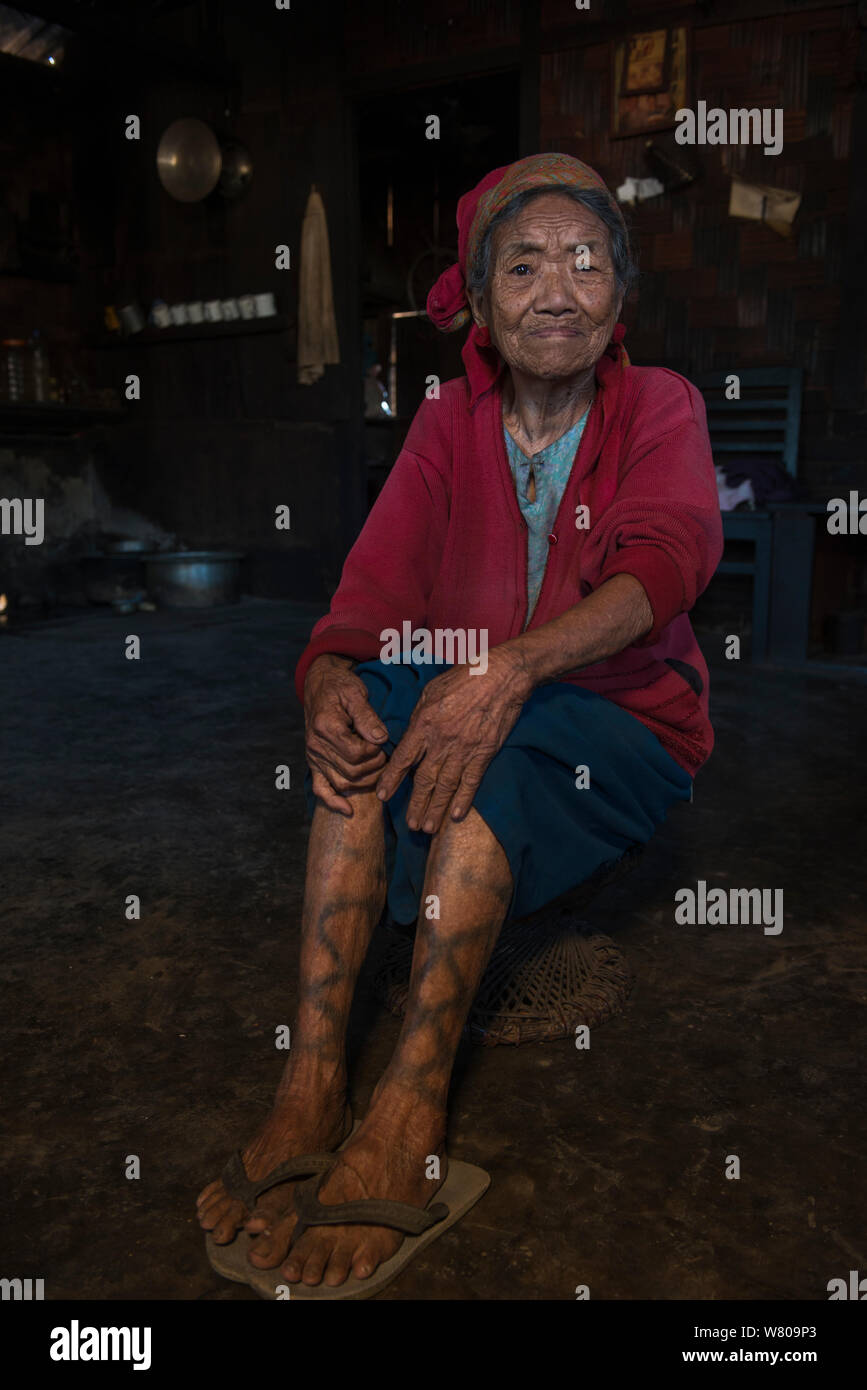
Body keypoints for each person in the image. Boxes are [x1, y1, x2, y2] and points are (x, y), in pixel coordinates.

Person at [197, 152, 723, 1293]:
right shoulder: (448, 420)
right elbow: (370, 596)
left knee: (489, 766)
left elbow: (666, 562)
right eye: (523, 264)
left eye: (585, 263)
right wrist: (329, 679)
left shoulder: (660, 404)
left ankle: (407, 1106)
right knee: (359, 744)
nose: (555, 288)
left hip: (624, 712)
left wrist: (510, 673)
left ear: (618, 301)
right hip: (476, 680)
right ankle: (313, 1081)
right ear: (481, 308)